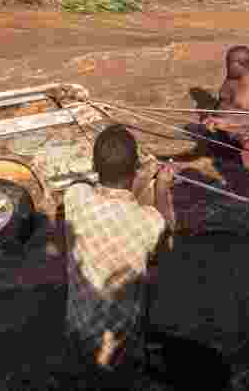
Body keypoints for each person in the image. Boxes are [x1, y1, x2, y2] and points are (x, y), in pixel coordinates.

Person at [63, 124, 176, 377]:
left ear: (94, 165)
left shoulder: (75, 196)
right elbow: (166, 229)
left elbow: (113, 202)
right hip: (118, 339)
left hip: (78, 325)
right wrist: (161, 187)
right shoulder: (147, 222)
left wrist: (140, 179)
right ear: (135, 168)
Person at [203, 46, 249, 167]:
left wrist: (238, 127)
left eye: (228, 63)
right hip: (218, 134)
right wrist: (210, 117)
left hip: (240, 141)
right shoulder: (231, 78)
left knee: (240, 176)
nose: (225, 66)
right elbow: (222, 102)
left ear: (240, 65)